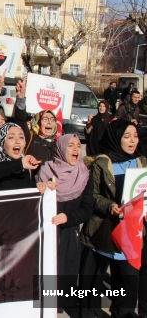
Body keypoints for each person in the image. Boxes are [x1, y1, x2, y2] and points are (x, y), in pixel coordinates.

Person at [79, 119, 144, 318]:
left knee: (127, 283)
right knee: (92, 283)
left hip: (131, 235)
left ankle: (122, 313)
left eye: (135, 135)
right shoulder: (102, 163)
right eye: (126, 136)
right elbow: (93, 196)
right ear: (116, 138)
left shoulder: (142, 162)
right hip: (103, 231)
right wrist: (110, 206)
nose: (132, 140)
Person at [35, 134, 93, 314]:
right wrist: (40, 190)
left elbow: (87, 209)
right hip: (45, 236)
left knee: (64, 279)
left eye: (78, 145)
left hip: (69, 237)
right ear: (60, 149)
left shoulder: (84, 175)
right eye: (71, 145)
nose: (76, 149)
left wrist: (68, 217)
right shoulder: (45, 171)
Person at [0, 123, 42, 192]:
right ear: (1, 141)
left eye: (21, 137)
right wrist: (19, 164)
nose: (17, 141)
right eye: (11, 137)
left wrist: (40, 186)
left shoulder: (25, 167)